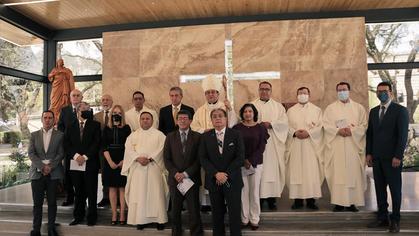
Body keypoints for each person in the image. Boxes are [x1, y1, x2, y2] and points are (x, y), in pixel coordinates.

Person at [191, 74, 238, 211]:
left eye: (213, 92)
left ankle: (225, 201)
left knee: (223, 172)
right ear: (205, 94)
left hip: (224, 149)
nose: (210, 94)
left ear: (218, 93)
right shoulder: (200, 111)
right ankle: (207, 204)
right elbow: (194, 127)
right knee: (208, 174)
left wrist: (230, 110)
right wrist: (204, 131)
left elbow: (233, 123)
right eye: (208, 92)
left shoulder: (225, 106)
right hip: (207, 149)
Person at [366, 82, 409, 233]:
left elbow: (403, 135)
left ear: (391, 92)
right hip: (377, 158)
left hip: (393, 159)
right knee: (379, 190)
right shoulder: (373, 111)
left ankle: (395, 220)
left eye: (384, 91)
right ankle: (382, 217)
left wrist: (398, 155)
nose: (381, 94)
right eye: (378, 91)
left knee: (395, 190)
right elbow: (370, 134)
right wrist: (368, 153)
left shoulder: (400, 111)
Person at [199, 108, 245, 236]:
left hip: (232, 180)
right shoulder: (206, 136)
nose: (218, 118)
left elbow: (240, 157)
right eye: (214, 116)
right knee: (217, 214)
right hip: (214, 181)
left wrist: (226, 174)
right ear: (211, 120)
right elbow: (203, 158)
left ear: (226, 119)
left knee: (234, 213)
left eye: (220, 116)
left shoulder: (236, 135)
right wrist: (216, 174)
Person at [323, 82, 367, 212]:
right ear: (336, 92)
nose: (342, 92)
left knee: (353, 175)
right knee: (338, 175)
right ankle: (339, 202)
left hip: (353, 147)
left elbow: (364, 125)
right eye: (339, 90)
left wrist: (352, 131)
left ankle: (353, 202)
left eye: (344, 89)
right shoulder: (330, 109)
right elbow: (325, 125)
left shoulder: (359, 108)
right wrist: (337, 131)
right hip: (337, 146)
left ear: (349, 90)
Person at [122, 112, 169, 230]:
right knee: (140, 194)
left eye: (148, 118)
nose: (145, 120)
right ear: (139, 121)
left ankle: (160, 220)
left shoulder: (160, 135)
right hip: (138, 169)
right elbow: (128, 150)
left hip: (154, 168)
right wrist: (138, 158)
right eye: (143, 118)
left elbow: (163, 148)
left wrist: (150, 158)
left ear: (152, 121)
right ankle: (141, 220)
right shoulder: (133, 135)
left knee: (156, 194)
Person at [163, 110, 203, 236]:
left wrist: (185, 174)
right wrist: (175, 173)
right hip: (175, 179)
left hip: (191, 179)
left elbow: (199, 159)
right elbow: (166, 158)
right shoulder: (170, 137)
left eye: (185, 118)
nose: (182, 120)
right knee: (175, 209)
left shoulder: (197, 137)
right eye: (180, 118)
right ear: (176, 120)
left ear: (190, 121)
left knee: (193, 209)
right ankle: (176, 233)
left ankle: (196, 233)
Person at [285, 87, 323, 210]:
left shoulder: (316, 110)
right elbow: (286, 126)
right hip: (295, 144)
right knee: (296, 172)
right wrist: (294, 133)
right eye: (300, 93)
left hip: (310, 146)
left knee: (310, 172)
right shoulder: (290, 111)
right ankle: (298, 200)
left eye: (305, 93)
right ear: (297, 95)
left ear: (309, 95)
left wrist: (309, 133)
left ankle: (311, 200)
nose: (302, 95)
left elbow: (320, 127)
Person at [252, 81, 288, 210]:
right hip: (257, 145)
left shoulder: (278, 107)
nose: (264, 91)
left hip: (273, 144)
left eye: (267, 89)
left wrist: (271, 124)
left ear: (271, 91)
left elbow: (284, 123)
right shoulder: (252, 105)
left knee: (271, 171)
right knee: (258, 172)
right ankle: (260, 199)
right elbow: (245, 120)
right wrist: (259, 125)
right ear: (258, 90)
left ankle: (272, 199)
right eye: (262, 89)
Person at [28, 110, 64, 236]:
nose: (47, 120)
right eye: (45, 117)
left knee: (52, 202)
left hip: (53, 174)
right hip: (37, 174)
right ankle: (36, 229)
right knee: (37, 203)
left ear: (54, 120)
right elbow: (31, 153)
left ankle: (51, 228)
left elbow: (61, 154)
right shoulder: (34, 135)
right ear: (42, 119)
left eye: (50, 118)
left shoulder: (60, 135)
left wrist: (50, 167)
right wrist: (42, 166)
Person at [233, 104, 269, 230]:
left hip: (256, 164)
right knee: (243, 192)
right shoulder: (237, 128)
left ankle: (254, 219)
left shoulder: (261, 128)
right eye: (245, 111)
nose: (248, 114)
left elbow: (262, 147)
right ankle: (244, 219)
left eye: (250, 111)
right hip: (241, 164)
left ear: (254, 113)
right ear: (242, 113)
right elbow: (234, 146)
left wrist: (251, 160)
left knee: (254, 192)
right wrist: (243, 160)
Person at [67, 102, 101, 226]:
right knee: (78, 192)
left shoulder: (95, 125)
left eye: (88, 109)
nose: (87, 110)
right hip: (75, 164)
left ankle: (91, 217)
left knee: (91, 191)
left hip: (90, 163)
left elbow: (96, 143)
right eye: (84, 109)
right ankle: (78, 216)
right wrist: (76, 156)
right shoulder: (70, 126)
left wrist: (85, 157)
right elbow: (67, 144)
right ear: (77, 111)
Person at [102, 105, 131, 225]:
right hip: (110, 159)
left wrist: (124, 161)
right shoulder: (106, 128)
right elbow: (103, 146)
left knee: (122, 187)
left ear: (122, 114)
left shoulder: (127, 128)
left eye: (119, 112)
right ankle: (114, 213)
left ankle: (123, 213)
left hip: (124, 158)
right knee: (112, 188)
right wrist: (110, 162)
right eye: (114, 112)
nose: (116, 114)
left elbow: (130, 146)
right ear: (111, 114)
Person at [57, 89, 83, 206]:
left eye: (78, 95)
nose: (76, 97)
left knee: (81, 176)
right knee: (68, 174)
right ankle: (70, 197)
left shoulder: (86, 110)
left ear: (81, 97)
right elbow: (60, 127)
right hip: (68, 148)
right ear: (70, 97)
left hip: (82, 149)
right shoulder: (65, 110)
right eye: (74, 95)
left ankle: (81, 198)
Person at [94, 94, 113, 208]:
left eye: (107, 100)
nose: (105, 102)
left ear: (112, 102)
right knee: (104, 173)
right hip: (101, 150)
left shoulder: (116, 114)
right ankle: (106, 197)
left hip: (115, 149)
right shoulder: (96, 116)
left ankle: (116, 197)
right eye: (103, 100)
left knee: (115, 173)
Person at [48, 59, 75, 124]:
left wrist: (64, 72)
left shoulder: (67, 70)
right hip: (56, 87)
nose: (60, 63)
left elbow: (70, 77)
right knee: (54, 101)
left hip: (64, 88)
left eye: (61, 62)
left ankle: (61, 117)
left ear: (63, 63)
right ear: (57, 63)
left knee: (64, 103)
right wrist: (56, 73)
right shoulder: (54, 70)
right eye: (59, 62)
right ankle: (54, 117)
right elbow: (50, 77)